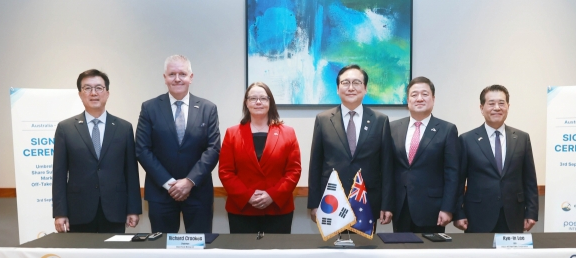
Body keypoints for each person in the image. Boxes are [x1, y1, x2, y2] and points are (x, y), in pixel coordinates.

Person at [135, 55, 221, 233]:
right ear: (164, 78)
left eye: (182, 73)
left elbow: (213, 149)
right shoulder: (149, 108)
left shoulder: (208, 108)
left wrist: (189, 181)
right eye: (172, 74)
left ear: (191, 77)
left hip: (198, 193)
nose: (177, 78)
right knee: (162, 251)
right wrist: (169, 183)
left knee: (200, 250)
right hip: (161, 193)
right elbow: (142, 149)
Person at [52, 69, 141, 233]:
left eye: (99, 88)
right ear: (80, 94)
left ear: (107, 93)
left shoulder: (124, 128)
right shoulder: (65, 128)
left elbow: (131, 172)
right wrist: (60, 212)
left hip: (115, 210)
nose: (93, 93)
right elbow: (59, 174)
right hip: (78, 211)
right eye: (87, 88)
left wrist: (133, 208)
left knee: (113, 257)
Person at [308, 64, 394, 226]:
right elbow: (315, 165)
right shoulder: (323, 119)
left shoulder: (380, 121)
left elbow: (387, 166)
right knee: (333, 250)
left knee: (366, 250)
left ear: (365, 88)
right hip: (331, 201)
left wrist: (387, 204)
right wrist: (314, 203)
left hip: (367, 201)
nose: (351, 87)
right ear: (337, 88)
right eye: (345, 83)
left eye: (356, 83)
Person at [219, 82, 301, 233]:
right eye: (253, 98)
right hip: (242, 210)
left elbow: (293, 171)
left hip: (277, 209)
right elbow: (226, 172)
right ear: (246, 103)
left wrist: (272, 195)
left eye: (263, 98)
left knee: (276, 255)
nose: (258, 102)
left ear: (270, 102)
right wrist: (248, 196)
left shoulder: (288, 133)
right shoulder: (232, 133)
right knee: (244, 256)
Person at [454, 85, 538, 233]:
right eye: (491, 103)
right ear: (481, 108)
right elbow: (458, 181)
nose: (497, 108)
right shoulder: (466, 139)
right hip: (477, 215)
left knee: (512, 256)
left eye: (501, 103)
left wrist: (531, 212)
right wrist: (458, 213)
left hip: (514, 214)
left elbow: (529, 179)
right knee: (479, 256)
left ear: (508, 106)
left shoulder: (522, 138)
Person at [390, 77, 459, 233]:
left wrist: (448, 208)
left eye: (424, 94)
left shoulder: (447, 129)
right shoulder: (392, 128)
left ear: (433, 99)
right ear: (407, 100)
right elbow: (387, 169)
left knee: (430, 255)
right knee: (401, 254)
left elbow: (452, 173)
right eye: (414, 95)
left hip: (433, 209)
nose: (419, 98)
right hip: (401, 207)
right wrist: (387, 205)